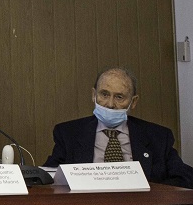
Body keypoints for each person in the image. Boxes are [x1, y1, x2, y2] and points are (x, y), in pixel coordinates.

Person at [43, 67, 193, 188]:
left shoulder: (158, 136)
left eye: (119, 97)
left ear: (133, 102)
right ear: (93, 95)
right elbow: (48, 176)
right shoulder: (69, 133)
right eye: (104, 94)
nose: (110, 104)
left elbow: (184, 177)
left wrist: (148, 191)